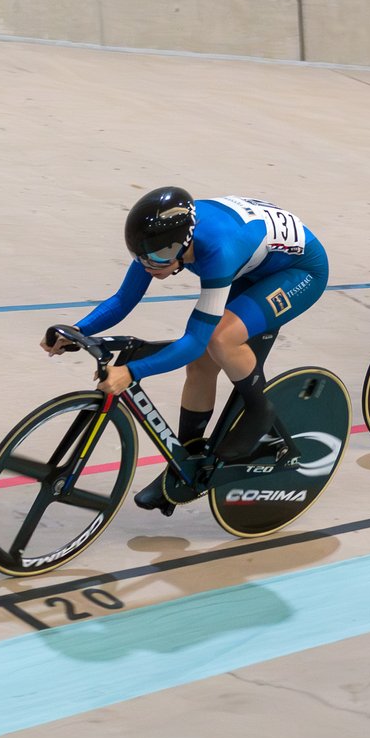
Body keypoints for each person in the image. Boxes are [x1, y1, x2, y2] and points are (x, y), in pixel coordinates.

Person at [42, 186, 328, 514]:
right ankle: (186, 463)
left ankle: (259, 409)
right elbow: (123, 300)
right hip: (252, 263)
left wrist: (131, 372)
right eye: (141, 257)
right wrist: (79, 330)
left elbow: (192, 343)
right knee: (202, 365)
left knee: (219, 339)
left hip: (300, 271)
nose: (150, 265)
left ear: (184, 243)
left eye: (160, 259)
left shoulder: (216, 251)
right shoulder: (159, 242)